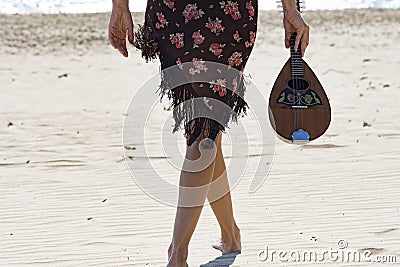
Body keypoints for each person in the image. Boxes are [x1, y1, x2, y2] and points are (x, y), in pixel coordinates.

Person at [109, 0, 309, 266]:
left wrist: (291, 10)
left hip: (226, 17)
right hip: (175, 14)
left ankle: (178, 254)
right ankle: (230, 236)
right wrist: (119, 7)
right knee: (205, 132)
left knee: (204, 133)